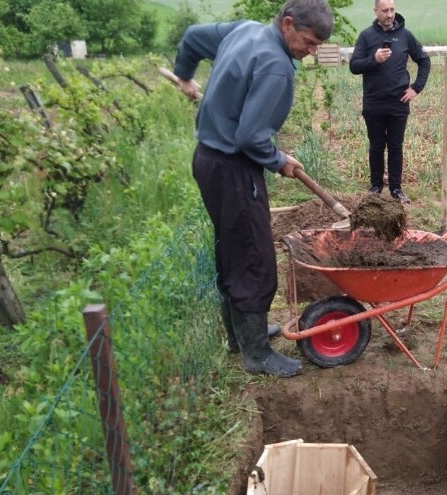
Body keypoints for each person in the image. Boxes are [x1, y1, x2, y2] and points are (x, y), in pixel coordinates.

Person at [172, 0, 334, 377]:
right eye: (308, 42)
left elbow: (193, 38)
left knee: (233, 249)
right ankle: (257, 354)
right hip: (233, 168)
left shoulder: (245, 30)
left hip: (208, 159)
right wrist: (279, 160)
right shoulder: (277, 68)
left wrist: (184, 75)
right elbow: (250, 137)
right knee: (254, 258)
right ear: (288, 23)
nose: (310, 53)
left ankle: (244, 336)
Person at [349, 0, 430, 203]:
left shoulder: (405, 35)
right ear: (376, 11)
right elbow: (354, 66)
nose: (390, 14)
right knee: (376, 146)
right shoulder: (367, 36)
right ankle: (376, 187)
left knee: (395, 146)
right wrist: (373, 59)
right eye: (385, 10)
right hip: (374, 102)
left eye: (392, 10)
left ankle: (396, 189)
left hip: (398, 103)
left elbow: (424, 60)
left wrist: (416, 88)